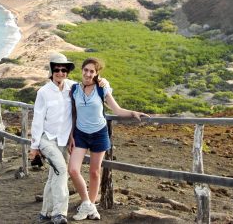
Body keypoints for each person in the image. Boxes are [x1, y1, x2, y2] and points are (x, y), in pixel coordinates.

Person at [30, 53, 108, 224]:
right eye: (56, 69)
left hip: (63, 142)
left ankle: (45, 212)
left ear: (67, 71)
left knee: (54, 175)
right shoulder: (43, 92)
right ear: (51, 71)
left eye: (63, 69)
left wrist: (102, 81)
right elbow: (37, 120)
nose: (60, 72)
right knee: (62, 170)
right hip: (47, 140)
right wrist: (34, 146)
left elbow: (91, 81)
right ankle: (59, 213)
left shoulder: (72, 88)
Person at [68, 57, 150, 221]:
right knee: (73, 170)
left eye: (92, 71)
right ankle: (87, 204)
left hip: (99, 134)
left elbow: (117, 110)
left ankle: (90, 207)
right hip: (80, 134)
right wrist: (71, 135)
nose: (88, 74)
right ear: (81, 70)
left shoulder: (102, 89)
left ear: (97, 73)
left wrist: (133, 113)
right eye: (86, 70)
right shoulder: (75, 89)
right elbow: (73, 114)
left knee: (94, 172)